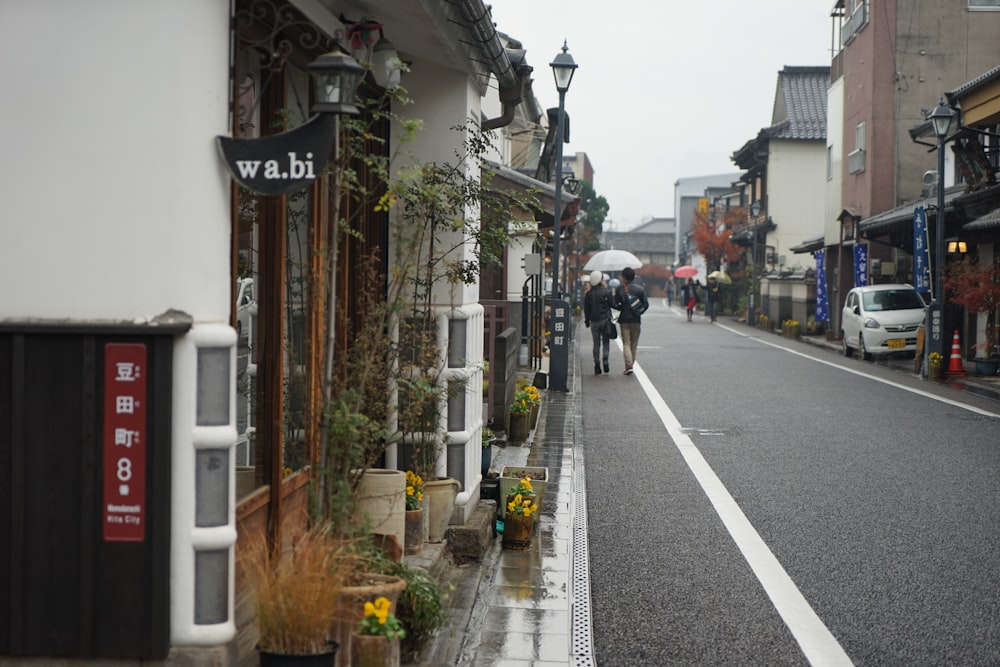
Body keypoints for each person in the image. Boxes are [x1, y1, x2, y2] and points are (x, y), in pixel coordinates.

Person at [613, 266, 649, 375]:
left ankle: (629, 365)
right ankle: (630, 365)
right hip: (636, 320)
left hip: (624, 320)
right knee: (634, 344)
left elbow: (615, 304)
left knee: (626, 343)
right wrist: (639, 312)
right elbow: (646, 304)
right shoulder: (640, 289)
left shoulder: (620, 289)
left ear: (624, 277)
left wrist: (622, 308)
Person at [583, 270, 613, 374]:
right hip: (605, 320)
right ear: (600, 280)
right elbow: (612, 304)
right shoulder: (606, 291)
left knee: (596, 344)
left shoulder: (589, 294)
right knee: (606, 342)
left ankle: (597, 364)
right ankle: (605, 359)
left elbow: (586, 309)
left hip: (594, 322)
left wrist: (587, 321)